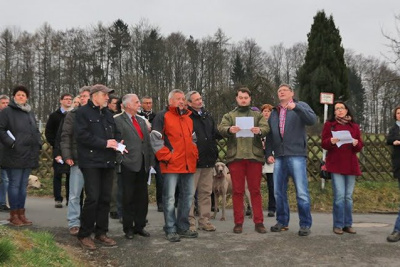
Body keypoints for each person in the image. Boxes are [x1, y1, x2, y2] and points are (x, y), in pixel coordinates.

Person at [265, 83, 316, 236]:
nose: (281, 92)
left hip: (297, 155)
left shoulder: (301, 106)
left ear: (292, 93)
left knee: (301, 192)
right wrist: (268, 153)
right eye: (279, 91)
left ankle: (305, 224)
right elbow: (269, 135)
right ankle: (282, 221)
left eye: (284, 90)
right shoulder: (274, 112)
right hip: (279, 156)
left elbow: (312, 120)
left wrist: (296, 108)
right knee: (279, 192)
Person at [75, 84, 121, 250]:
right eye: (104, 95)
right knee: (93, 197)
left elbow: (116, 132)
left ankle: (101, 232)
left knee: (105, 198)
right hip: (91, 161)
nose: (107, 98)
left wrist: (118, 142)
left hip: (107, 161)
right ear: (95, 95)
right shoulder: (82, 113)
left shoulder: (108, 114)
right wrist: (104, 143)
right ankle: (84, 234)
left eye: (107, 95)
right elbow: (82, 136)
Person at [218, 87, 269, 234]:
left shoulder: (258, 115)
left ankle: (259, 222)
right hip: (236, 157)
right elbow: (221, 128)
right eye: (241, 97)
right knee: (237, 191)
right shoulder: (229, 115)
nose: (243, 100)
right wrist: (229, 130)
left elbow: (266, 128)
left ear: (250, 99)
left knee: (255, 191)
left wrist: (259, 130)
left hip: (254, 157)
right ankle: (238, 222)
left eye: (246, 97)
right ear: (236, 98)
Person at [150, 89, 198, 242]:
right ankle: (170, 228)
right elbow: (156, 139)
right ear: (170, 101)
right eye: (178, 98)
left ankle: (183, 227)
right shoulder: (162, 116)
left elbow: (193, 140)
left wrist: (194, 154)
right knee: (170, 198)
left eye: (183, 98)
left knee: (188, 197)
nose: (182, 101)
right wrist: (167, 157)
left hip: (188, 164)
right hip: (171, 165)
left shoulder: (189, 119)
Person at [0, 86, 42, 226]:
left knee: (23, 186)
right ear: (14, 97)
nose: (21, 97)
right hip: (14, 154)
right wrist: (11, 143)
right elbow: (1, 129)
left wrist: (39, 143)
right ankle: (14, 215)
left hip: (28, 155)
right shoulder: (7, 112)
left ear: (27, 98)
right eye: (18, 94)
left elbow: (35, 130)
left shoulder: (29, 113)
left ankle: (21, 213)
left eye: (23, 95)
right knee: (14, 185)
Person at [115, 94, 154, 239]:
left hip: (143, 164)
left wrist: (150, 162)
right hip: (128, 164)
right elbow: (115, 141)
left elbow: (147, 143)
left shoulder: (141, 121)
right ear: (127, 105)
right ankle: (128, 228)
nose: (139, 104)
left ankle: (140, 226)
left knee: (142, 198)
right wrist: (121, 159)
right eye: (137, 102)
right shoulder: (118, 121)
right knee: (128, 197)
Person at [321, 101, 363, 235]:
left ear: (347, 111)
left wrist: (356, 143)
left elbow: (359, 146)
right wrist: (331, 142)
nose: (339, 110)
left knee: (348, 197)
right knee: (339, 196)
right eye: (337, 109)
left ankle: (347, 224)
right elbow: (324, 143)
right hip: (335, 165)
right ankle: (338, 224)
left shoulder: (354, 126)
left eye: (341, 108)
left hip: (350, 165)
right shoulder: (330, 125)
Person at [186, 91, 221, 232]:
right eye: (196, 100)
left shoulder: (207, 116)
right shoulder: (186, 117)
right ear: (189, 103)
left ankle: (204, 220)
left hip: (208, 159)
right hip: (194, 160)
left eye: (200, 98)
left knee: (206, 192)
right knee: (190, 193)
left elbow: (215, 134)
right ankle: (189, 222)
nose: (200, 101)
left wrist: (229, 131)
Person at [60, 86, 91, 236]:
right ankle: (74, 222)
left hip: (94, 160)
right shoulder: (72, 115)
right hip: (77, 159)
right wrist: (67, 156)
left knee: (93, 195)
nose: (83, 99)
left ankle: (89, 222)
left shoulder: (97, 114)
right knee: (75, 194)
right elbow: (66, 136)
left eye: (86, 96)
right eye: (82, 96)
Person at [45, 93, 73, 208]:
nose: (68, 101)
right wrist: (55, 144)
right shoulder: (54, 116)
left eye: (70, 99)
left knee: (70, 175)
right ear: (60, 101)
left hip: (69, 148)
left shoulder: (72, 115)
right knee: (57, 174)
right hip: (57, 148)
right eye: (66, 99)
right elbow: (49, 132)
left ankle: (69, 198)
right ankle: (58, 198)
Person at [139, 96, 163, 211]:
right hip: (143, 149)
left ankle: (161, 202)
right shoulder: (138, 116)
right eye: (146, 103)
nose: (149, 105)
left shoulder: (157, 116)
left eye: (150, 103)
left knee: (160, 178)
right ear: (142, 104)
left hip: (155, 149)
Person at [386, 106, 400, 242]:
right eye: (398, 113)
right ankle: (397, 229)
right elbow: (388, 140)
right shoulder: (394, 129)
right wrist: (395, 142)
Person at [260, 104, 276, 217]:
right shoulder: (258, 125)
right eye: (264, 111)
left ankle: (272, 207)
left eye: (268, 111)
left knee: (272, 184)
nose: (266, 113)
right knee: (254, 184)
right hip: (258, 156)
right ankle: (252, 207)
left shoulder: (274, 125)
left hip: (271, 155)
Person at [0, 95, 10, 212]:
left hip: (6, 152)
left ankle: (2, 202)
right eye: (3, 103)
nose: (6, 105)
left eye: (7, 103)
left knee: (5, 179)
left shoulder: (11, 118)